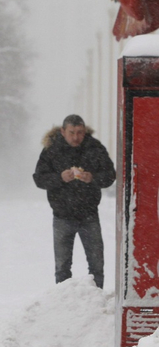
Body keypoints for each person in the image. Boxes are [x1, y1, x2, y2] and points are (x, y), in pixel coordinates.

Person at [33, 115, 115, 289]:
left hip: (89, 215)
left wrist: (92, 178)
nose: (76, 137)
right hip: (62, 216)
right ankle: (63, 302)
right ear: (63, 132)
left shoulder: (95, 148)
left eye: (80, 132)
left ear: (85, 131)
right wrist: (59, 178)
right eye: (72, 133)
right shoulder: (52, 150)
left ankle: (95, 298)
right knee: (62, 267)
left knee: (96, 265)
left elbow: (110, 176)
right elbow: (39, 179)